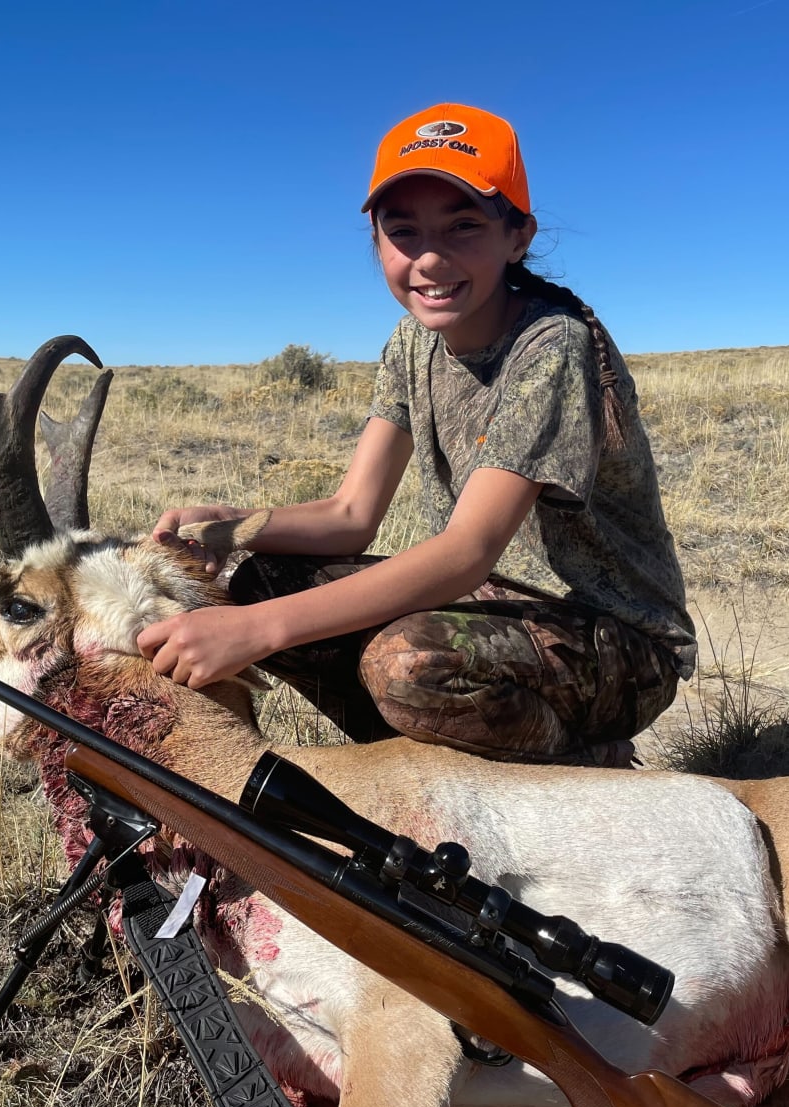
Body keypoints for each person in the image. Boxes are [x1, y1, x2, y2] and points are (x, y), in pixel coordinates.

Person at [137, 102, 696, 766]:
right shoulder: (411, 343)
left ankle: (577, 775)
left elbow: (467, 553)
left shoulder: (552, 345)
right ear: (376, 243)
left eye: (463, 226)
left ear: (518, 237)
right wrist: (233, 526)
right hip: (502, 610)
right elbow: (351, 516)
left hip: (624, 645)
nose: (430, 259)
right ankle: (416, 769)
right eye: (403, 232)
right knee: (263, 577)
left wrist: (255, 632)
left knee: (407, 665)